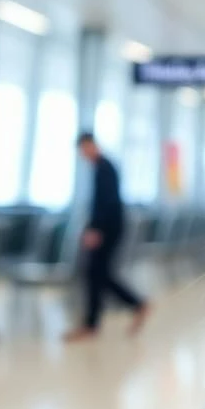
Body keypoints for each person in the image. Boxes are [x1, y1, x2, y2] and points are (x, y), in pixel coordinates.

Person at [65, 132, 148, 341]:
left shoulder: (104, 168)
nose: (83, 154)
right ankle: (97, 321)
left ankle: (133, 305)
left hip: (107, 229)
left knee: (96, 272)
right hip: (107, 227)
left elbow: (107, 204)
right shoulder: (101, 167)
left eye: (84, 148)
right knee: (97, 274)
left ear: (92, 145)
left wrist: (96, 230)